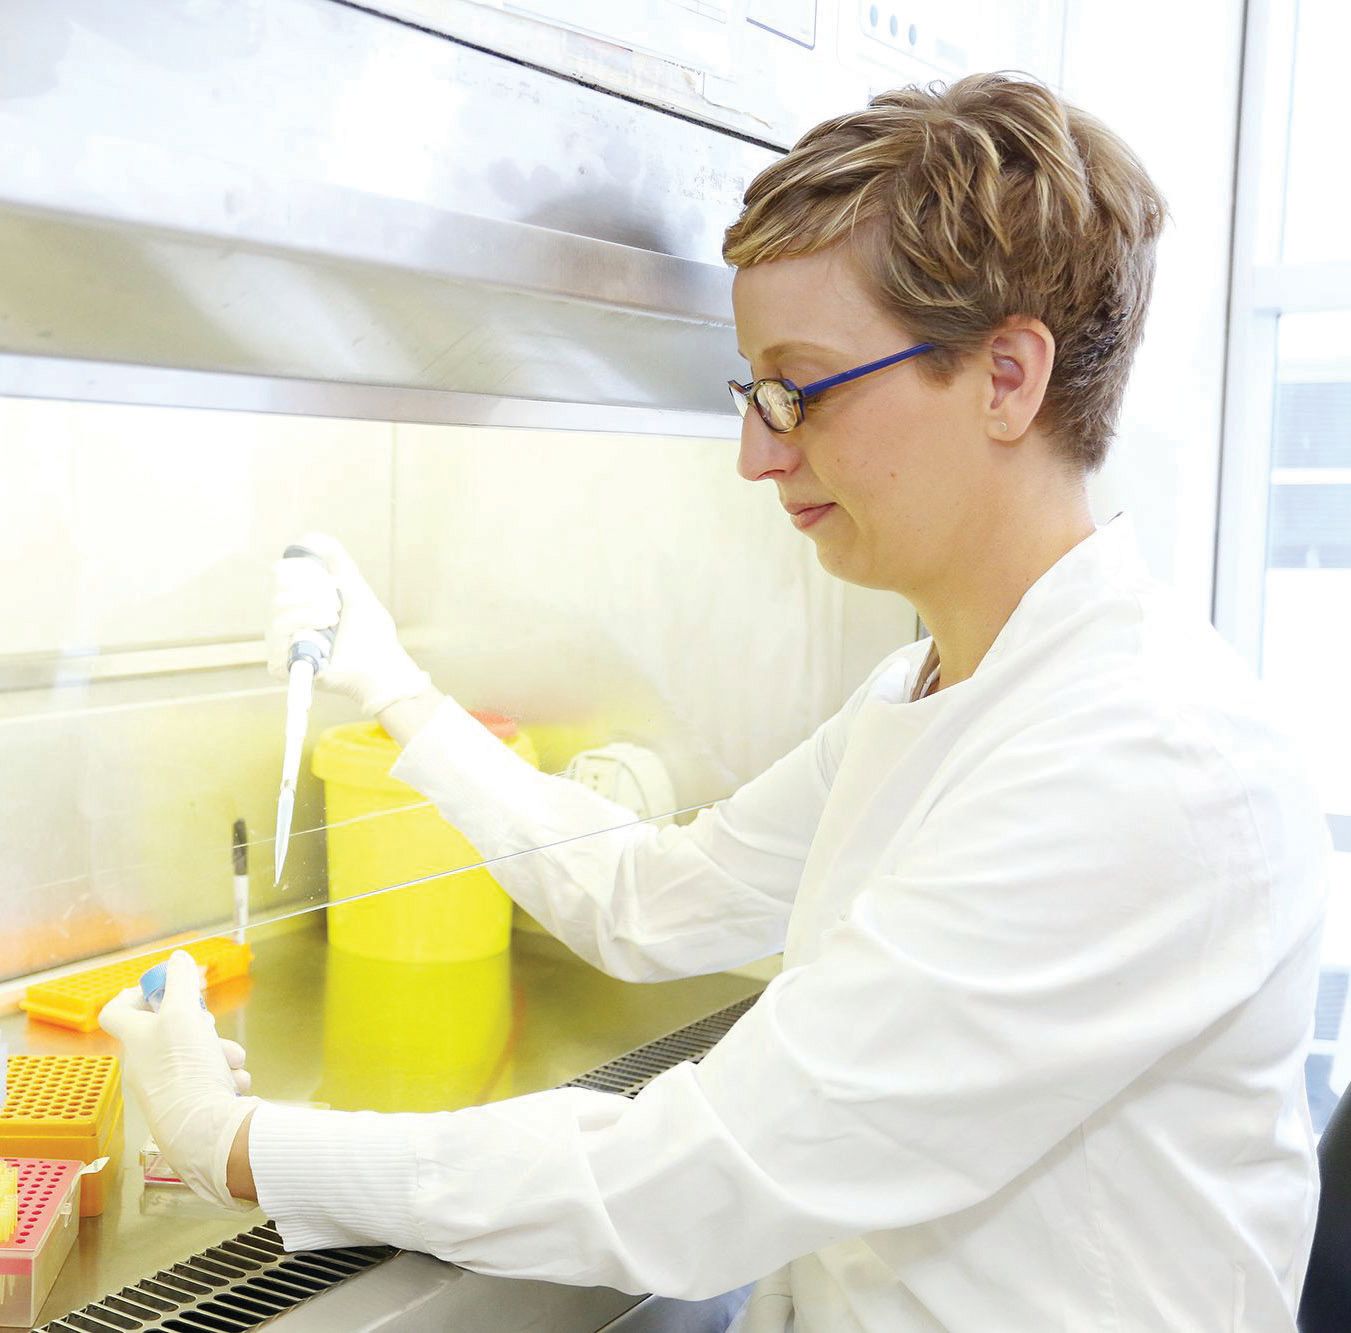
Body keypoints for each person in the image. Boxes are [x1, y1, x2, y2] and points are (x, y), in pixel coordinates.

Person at [100, 72, 1331, 1330]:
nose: (758, 449)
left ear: (1007, 376)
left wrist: (235, 1140)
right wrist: (399, 694)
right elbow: (652, 897)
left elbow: (690, 1181)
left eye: (802, 386)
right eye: (754, 390)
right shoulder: (936, 686)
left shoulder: (1145, 761)